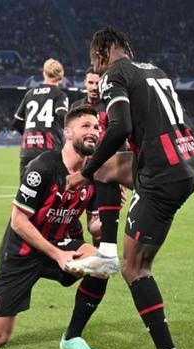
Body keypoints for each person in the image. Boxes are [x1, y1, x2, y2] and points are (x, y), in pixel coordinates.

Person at [67, 26, 194, 349]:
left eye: (94, 63)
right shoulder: (154, 70)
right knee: (107, 171)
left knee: (136, 268)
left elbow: (120, 126)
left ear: (100, 54)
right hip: (186, 161)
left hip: (161, 174)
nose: (95, 71)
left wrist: (86, 169)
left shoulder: (114, 73)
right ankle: (107, 250)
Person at [0, 106, 131, 349]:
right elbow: (18, 221)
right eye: (85, 126)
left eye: (96, 127)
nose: (93, 132)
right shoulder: (42, 167)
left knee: (102, 264)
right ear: (68, 132)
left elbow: (94, 227)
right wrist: (56, 254)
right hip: (23, 250)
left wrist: (112, 211)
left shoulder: (96, 173)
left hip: (63, 241)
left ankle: (72, 336)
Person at [72, 67, 125, 268]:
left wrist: (120, 180)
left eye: (97, 83)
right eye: (90, 83)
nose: (94, 87)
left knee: (98, 229)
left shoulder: (110, 106)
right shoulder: (76, 107)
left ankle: (100, 267)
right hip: (81, 175)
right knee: (70, 220)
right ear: (85, 83)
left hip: (104, 176)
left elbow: (121, 143)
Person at [13, 58, 69, 178]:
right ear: (61, 77)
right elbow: (61, 115)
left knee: (25, 194)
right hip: (49, 151)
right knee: (51, 193)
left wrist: (31, 135)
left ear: (44, 73)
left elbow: (17, 121)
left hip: (28, 150)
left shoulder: (30, 94)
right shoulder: (60, 95)